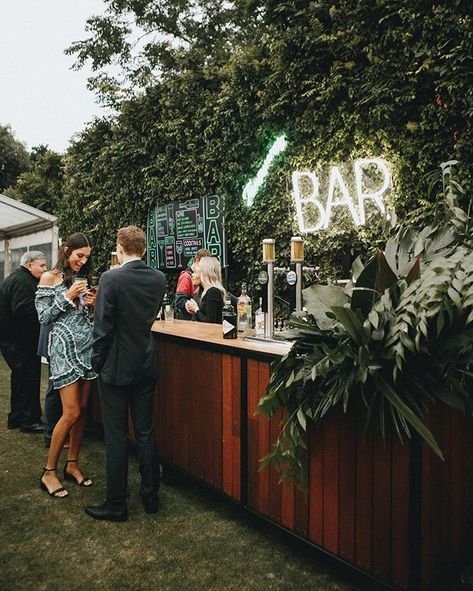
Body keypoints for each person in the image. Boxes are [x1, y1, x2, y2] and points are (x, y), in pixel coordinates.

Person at [85, 225, 166, 522]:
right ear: (143, 249)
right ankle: (150, 495)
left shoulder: (111, 278)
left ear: (120, 248)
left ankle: (117, 503)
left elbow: (103, 327)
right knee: (145, 432)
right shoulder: (158, 279)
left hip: (116, 368)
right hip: (145, 363)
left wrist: (96, 363)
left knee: (116, 436)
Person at [35, 233, 97, 499]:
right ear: (66, 250)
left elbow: (84, 316)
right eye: (78, 255)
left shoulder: (84, 279)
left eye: (86, 257)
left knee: (82, 410)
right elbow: (43, 316)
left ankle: (72, 464)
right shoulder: (49, 278)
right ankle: (49, 471)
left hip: (87, 349)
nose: (82, 261)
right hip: (63, 349)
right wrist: (67, 296)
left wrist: (93, 306)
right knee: (70, 412)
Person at [0, 251, 47, 432]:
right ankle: (30, 421)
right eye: (41, 265)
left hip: (11, 340)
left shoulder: (16, 278)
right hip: (20, 342)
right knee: (29, 378)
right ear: (29, 265)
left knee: (20, 378)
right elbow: (23, 311)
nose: (45, 269)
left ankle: (17, 417)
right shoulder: (24, 282)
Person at [185, 256, 225, 324]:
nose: (192, 275)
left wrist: (196, 309)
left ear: (205, 273)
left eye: (196, 272)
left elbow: (209, 322)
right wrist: (193, 310)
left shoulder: (213, 292)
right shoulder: (202, 291)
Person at [174, 248, 211, 320]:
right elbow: (179, 300)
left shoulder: (202, 277)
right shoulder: (186, 276)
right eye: (205, 264)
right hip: (188, 321)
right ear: (197, 260)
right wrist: (191, 306)